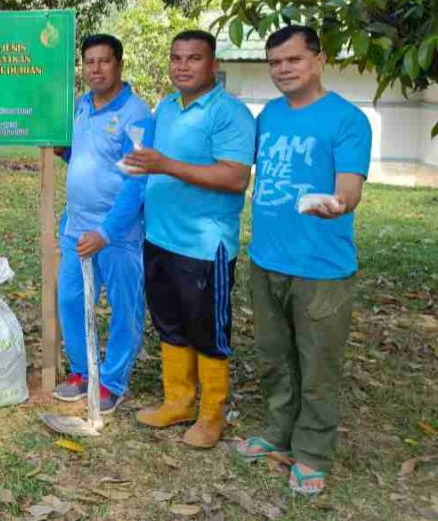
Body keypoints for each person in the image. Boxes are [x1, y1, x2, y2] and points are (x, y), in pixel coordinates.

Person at [235, 25, 370, 496]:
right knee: (274, 358)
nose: (282, 70)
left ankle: (312, 452)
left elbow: (350, 189)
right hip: (266, 258)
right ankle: (278, 434)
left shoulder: (347, 120)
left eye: (292, 60)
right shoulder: (268, 115)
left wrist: (338, 204)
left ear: (318, 59)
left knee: (317, 367)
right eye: (274, 63)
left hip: (321, 268)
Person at [124, 30, 255, 449]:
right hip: (161, 236)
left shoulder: (230, 113)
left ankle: (211, 415)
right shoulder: (166, 106)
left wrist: (164, 164)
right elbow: (158, 164)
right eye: (176, 57)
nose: (182, 65)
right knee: (169, 323)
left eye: (193, 58)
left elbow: (235, 178)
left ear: (213, 64)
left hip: (204, 246)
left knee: (207, 331)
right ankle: (178, 401)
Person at [52, 34, 152, 413]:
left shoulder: (136, 115)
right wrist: (65, 153)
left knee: (125, 307)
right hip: (76, 229)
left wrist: (106, 232)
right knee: (72, 300)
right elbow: (86, 158)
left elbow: (136, 181)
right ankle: (82, 371)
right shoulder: (80, 106)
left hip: (118, 235)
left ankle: (112, 381)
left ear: (119, 65)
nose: (95, 69)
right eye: (89, 62)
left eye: (103, 61)